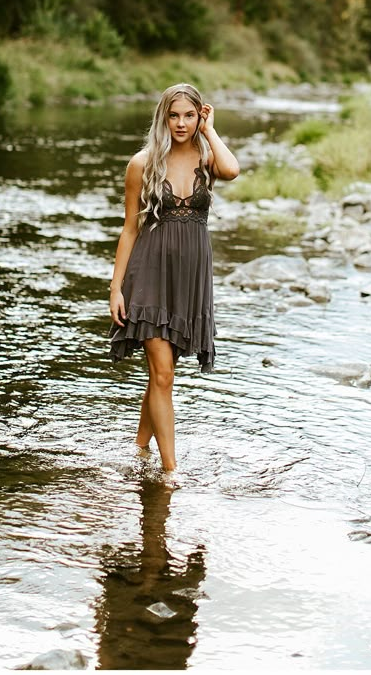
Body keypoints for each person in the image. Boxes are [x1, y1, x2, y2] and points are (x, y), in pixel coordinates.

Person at [108, 83, 239, 472]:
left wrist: (211, 131)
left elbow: (232, 170)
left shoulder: (206, 156)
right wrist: (116, 288)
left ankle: (139, 447)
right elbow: (130, 229)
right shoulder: (142, 163)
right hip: (149, 273)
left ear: (200, 116)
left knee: (163, 374)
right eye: (174, 115)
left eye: (189, 115)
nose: (181, 123)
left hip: (190, 277)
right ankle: (169, 471)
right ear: (163, 117)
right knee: (162, 373)